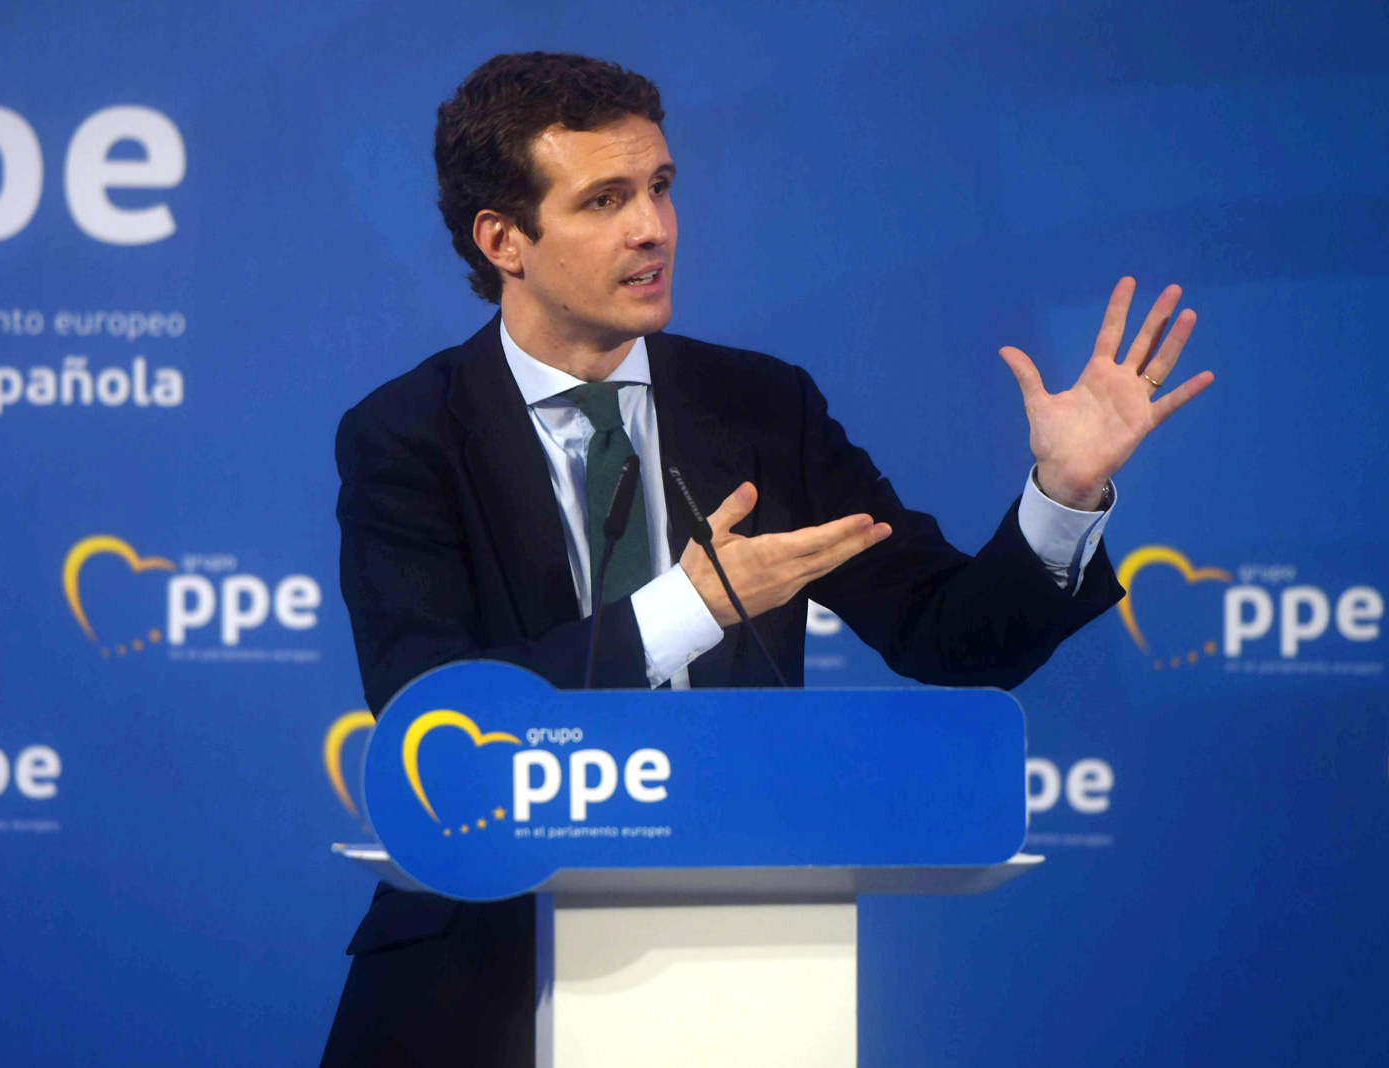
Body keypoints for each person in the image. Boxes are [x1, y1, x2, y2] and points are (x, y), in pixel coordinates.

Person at [320, 51, 1211, 1068]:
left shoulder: (761, 407)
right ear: (503, 240)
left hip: (740, 965)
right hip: (478, 974)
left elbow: (951, 636)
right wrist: (687, 609)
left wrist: (1063, 495)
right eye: (604, 200)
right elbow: (433, 714)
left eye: (659, 187)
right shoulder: (407, 435)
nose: (654, 228)